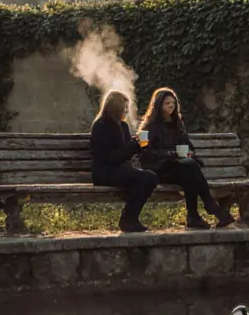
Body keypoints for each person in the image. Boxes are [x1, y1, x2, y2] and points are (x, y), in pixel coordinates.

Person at [138, 87, 236, 229]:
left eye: (173, 103)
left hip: (180, 168)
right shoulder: (149, 127)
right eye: (167, 103)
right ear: (158, 105)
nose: (171, 106)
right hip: (160, 170)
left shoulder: (177, 124)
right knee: (190, 168)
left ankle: (194, 217)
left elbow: (189, 147)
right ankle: (208, 207)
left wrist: (188, 153)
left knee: (189, 172)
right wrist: (171, 154)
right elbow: (146, 155)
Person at [90, 90, 158, 233]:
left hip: (121, 169)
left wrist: (140, 146)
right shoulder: (100, 126)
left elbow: (126, 153)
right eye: (124, 107)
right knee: (142, 178)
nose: (127, 111)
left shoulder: (123, 126)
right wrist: (133, 146)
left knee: (150, 177)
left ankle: (130, 217)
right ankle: (128, 219)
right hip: (105, 171)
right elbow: (109, 157)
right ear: (115, 108)